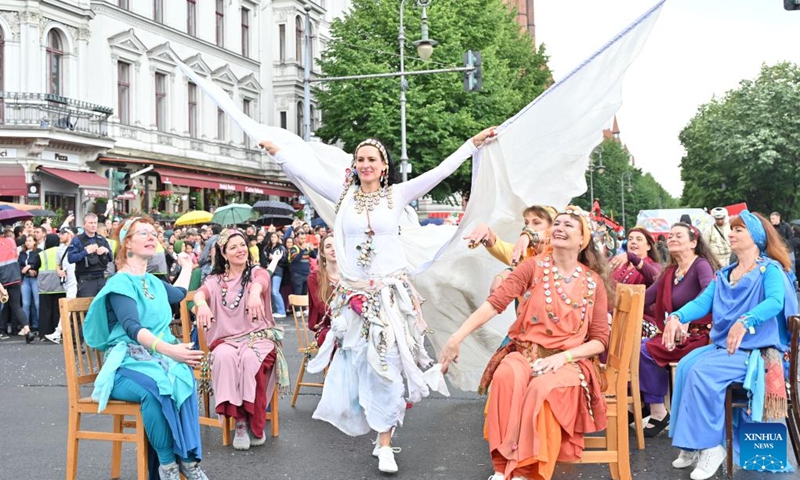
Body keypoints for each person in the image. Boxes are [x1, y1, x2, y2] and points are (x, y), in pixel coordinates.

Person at [259, 126, 496, 474]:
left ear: (384, 166)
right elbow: (304, 175)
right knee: (360, 366)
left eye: (372, 159)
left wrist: (471, 145)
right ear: (354, 166)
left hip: (388, 296)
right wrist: (278, 152)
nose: (365, 165)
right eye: (360, 160)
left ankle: (385, 442)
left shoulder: (396, 195)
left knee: (387, 365)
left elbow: (440, 171)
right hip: (353, 297)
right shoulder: (344, 196)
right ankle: (378, 423)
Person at [439, 206, 612, 480]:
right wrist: (456, 337)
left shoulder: (593, 283)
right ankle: (502, 466)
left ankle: (526, 472)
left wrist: (562, 358)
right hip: (525, 352)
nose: (559, 228)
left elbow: (600, 341)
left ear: (583, 239)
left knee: (542, 387)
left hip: (569, 361)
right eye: (557, 223)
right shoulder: (532, 266)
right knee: (507, 375)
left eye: (569, 225)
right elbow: (495, 304)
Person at [663, 210, 797, 480]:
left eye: (739, 230)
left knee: (703, 372)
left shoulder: (769, 269)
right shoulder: (725, 274)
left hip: (758, 352)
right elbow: (703, 303)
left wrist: (745, 321)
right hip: (728, 348)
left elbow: (775, 302)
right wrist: (676, 317)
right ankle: (691, 444)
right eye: (731, 229)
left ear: (756, 237)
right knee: (687, 365)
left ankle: (712, 447)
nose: (732, 233)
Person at [83, 217, 208, 480]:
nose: (152, 236)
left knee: (182, 377)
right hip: (125, 367)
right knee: (156, 389)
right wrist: (170, 350)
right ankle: (167, 467)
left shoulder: (151, 281)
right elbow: (131, 327)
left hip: (153, 361)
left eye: (154, 233)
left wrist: (186, 266)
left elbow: (177, 293)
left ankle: (187, 461)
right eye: (144, 233)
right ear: (126, 242)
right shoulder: (119, 283)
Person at [193, 228, 289, 451]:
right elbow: (199, 293)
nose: (240, 250)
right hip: (226, 341)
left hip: (258, 338)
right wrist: (202, 304)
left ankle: (255, 423)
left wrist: (255, 294)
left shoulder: (257, 273)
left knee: (248, 358)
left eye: (243, 245)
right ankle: (240, 424)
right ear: (224, 254)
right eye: (233, 247)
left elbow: (262, 281)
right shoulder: (215, 280)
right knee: (224, 356)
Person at [636, 222, 719, 437]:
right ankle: (650, 407)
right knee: (635, 347)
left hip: (698, 335)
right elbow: (644, 298)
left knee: (645, 350)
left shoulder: (701, 265)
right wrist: (611, 302)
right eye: (670, 235)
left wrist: (685, 318)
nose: (672, 238)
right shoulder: (670, 271)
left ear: (693, 242)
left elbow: (709, 296)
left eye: (678, 236)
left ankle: (657, 412)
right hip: (674, 334)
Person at [45, 227, 78, 344]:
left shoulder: (77, 246)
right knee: (70, 308)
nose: (60, 235)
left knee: (69, 307)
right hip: (67, 281)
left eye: (63, 233)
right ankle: (61, 333)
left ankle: (58, 332)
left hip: (76, 281)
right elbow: (57, 264)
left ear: (70, 234)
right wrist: (58, 271)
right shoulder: (60, 249)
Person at [67, 213, 113, 297]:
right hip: (86, 280)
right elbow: (70, 259)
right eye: (90, 223)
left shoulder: (101, 239)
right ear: (84, 224)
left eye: (95, 223)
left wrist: (106, 251)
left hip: (101, 279)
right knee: (86, 307)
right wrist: (86, 252)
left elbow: (111, 258)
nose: (93, 225)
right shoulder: (77, 240)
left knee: (103, 307)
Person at [0, 236, 35, 342]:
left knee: (3, 307)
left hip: (3, 280)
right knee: (16, 306)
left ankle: (1, 330)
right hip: (15, 278)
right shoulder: (10, 241)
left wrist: (2, 290)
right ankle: (27, 330)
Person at [307, 234, 337, 346]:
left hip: (351, 325)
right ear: (323, 253)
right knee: (336, 339)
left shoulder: (349, 276)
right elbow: (320, 306)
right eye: (328, 246)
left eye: (336, 245)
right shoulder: (314, 277)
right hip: (326, 326)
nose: (333, 249)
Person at [37, 233, 65, 341]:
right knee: (58, 311)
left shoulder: (42, 254)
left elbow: (35, 265)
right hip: (60, 285)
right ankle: (58, 333)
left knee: (45, 311)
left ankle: (44, 333)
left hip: (45, 286)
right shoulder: (61, 251)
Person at [19, 235, 42, 333]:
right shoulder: (22, 253)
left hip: (35, 279)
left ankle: (39, 326)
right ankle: (26, 327)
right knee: (26, 304)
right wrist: (27, 270)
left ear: (34, 242)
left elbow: (38, 263)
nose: (27, 243)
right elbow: (19, 266)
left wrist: (29, 266)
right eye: (26, 241)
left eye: (30, 240)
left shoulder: (39, 251)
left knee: (37, 303)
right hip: (25, 278)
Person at [262, 232, 287, 318]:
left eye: (274, 237)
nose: (273, 238)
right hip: (269, 269)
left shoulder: (281, 248)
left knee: (274, 291)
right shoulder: (268, 247)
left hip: (278, 271)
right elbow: (264, 258)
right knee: (270, 291)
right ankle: (275, 310)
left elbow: (284, 260)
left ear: (278, 238)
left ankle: (281, 311)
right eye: (272, 237)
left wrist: (275, 259)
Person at [287, 230, 316, 295]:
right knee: (297, 295)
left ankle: (303, 306)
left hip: (306, 274)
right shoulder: (294, 248)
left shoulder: (307, 248)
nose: (303, 240)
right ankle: (296, 306)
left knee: (304, 295)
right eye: (301, 239)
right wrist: (302, 249)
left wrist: (312, 249)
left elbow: (314, 256)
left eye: (304, 238)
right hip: (297, 275)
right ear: (297, 239)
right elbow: (296, 259)